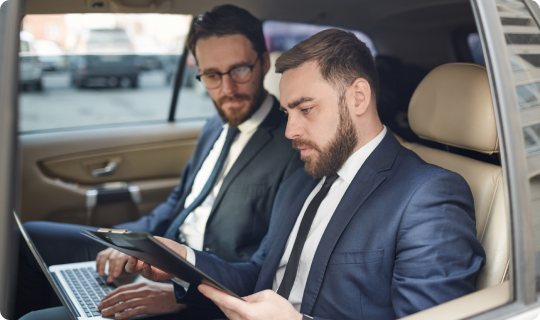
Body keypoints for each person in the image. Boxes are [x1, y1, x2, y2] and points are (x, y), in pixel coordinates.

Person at [125, 29, 486, 320]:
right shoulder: (301, 180)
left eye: (306, 109)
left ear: (358, 97)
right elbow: (257, 277)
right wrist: (183, 261)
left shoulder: (428, 195)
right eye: (287, 112)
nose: (290, 130)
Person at [17, 5, 303, 320]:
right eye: (212, 75)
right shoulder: (214, 125)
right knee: (25, 239)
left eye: (239, 71)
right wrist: (128, 243)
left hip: (205, 292)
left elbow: (261, 274)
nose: (227, 89)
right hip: (159, 259)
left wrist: (181, 294)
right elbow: (176, 204)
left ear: (263, 63)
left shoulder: (294, 145)